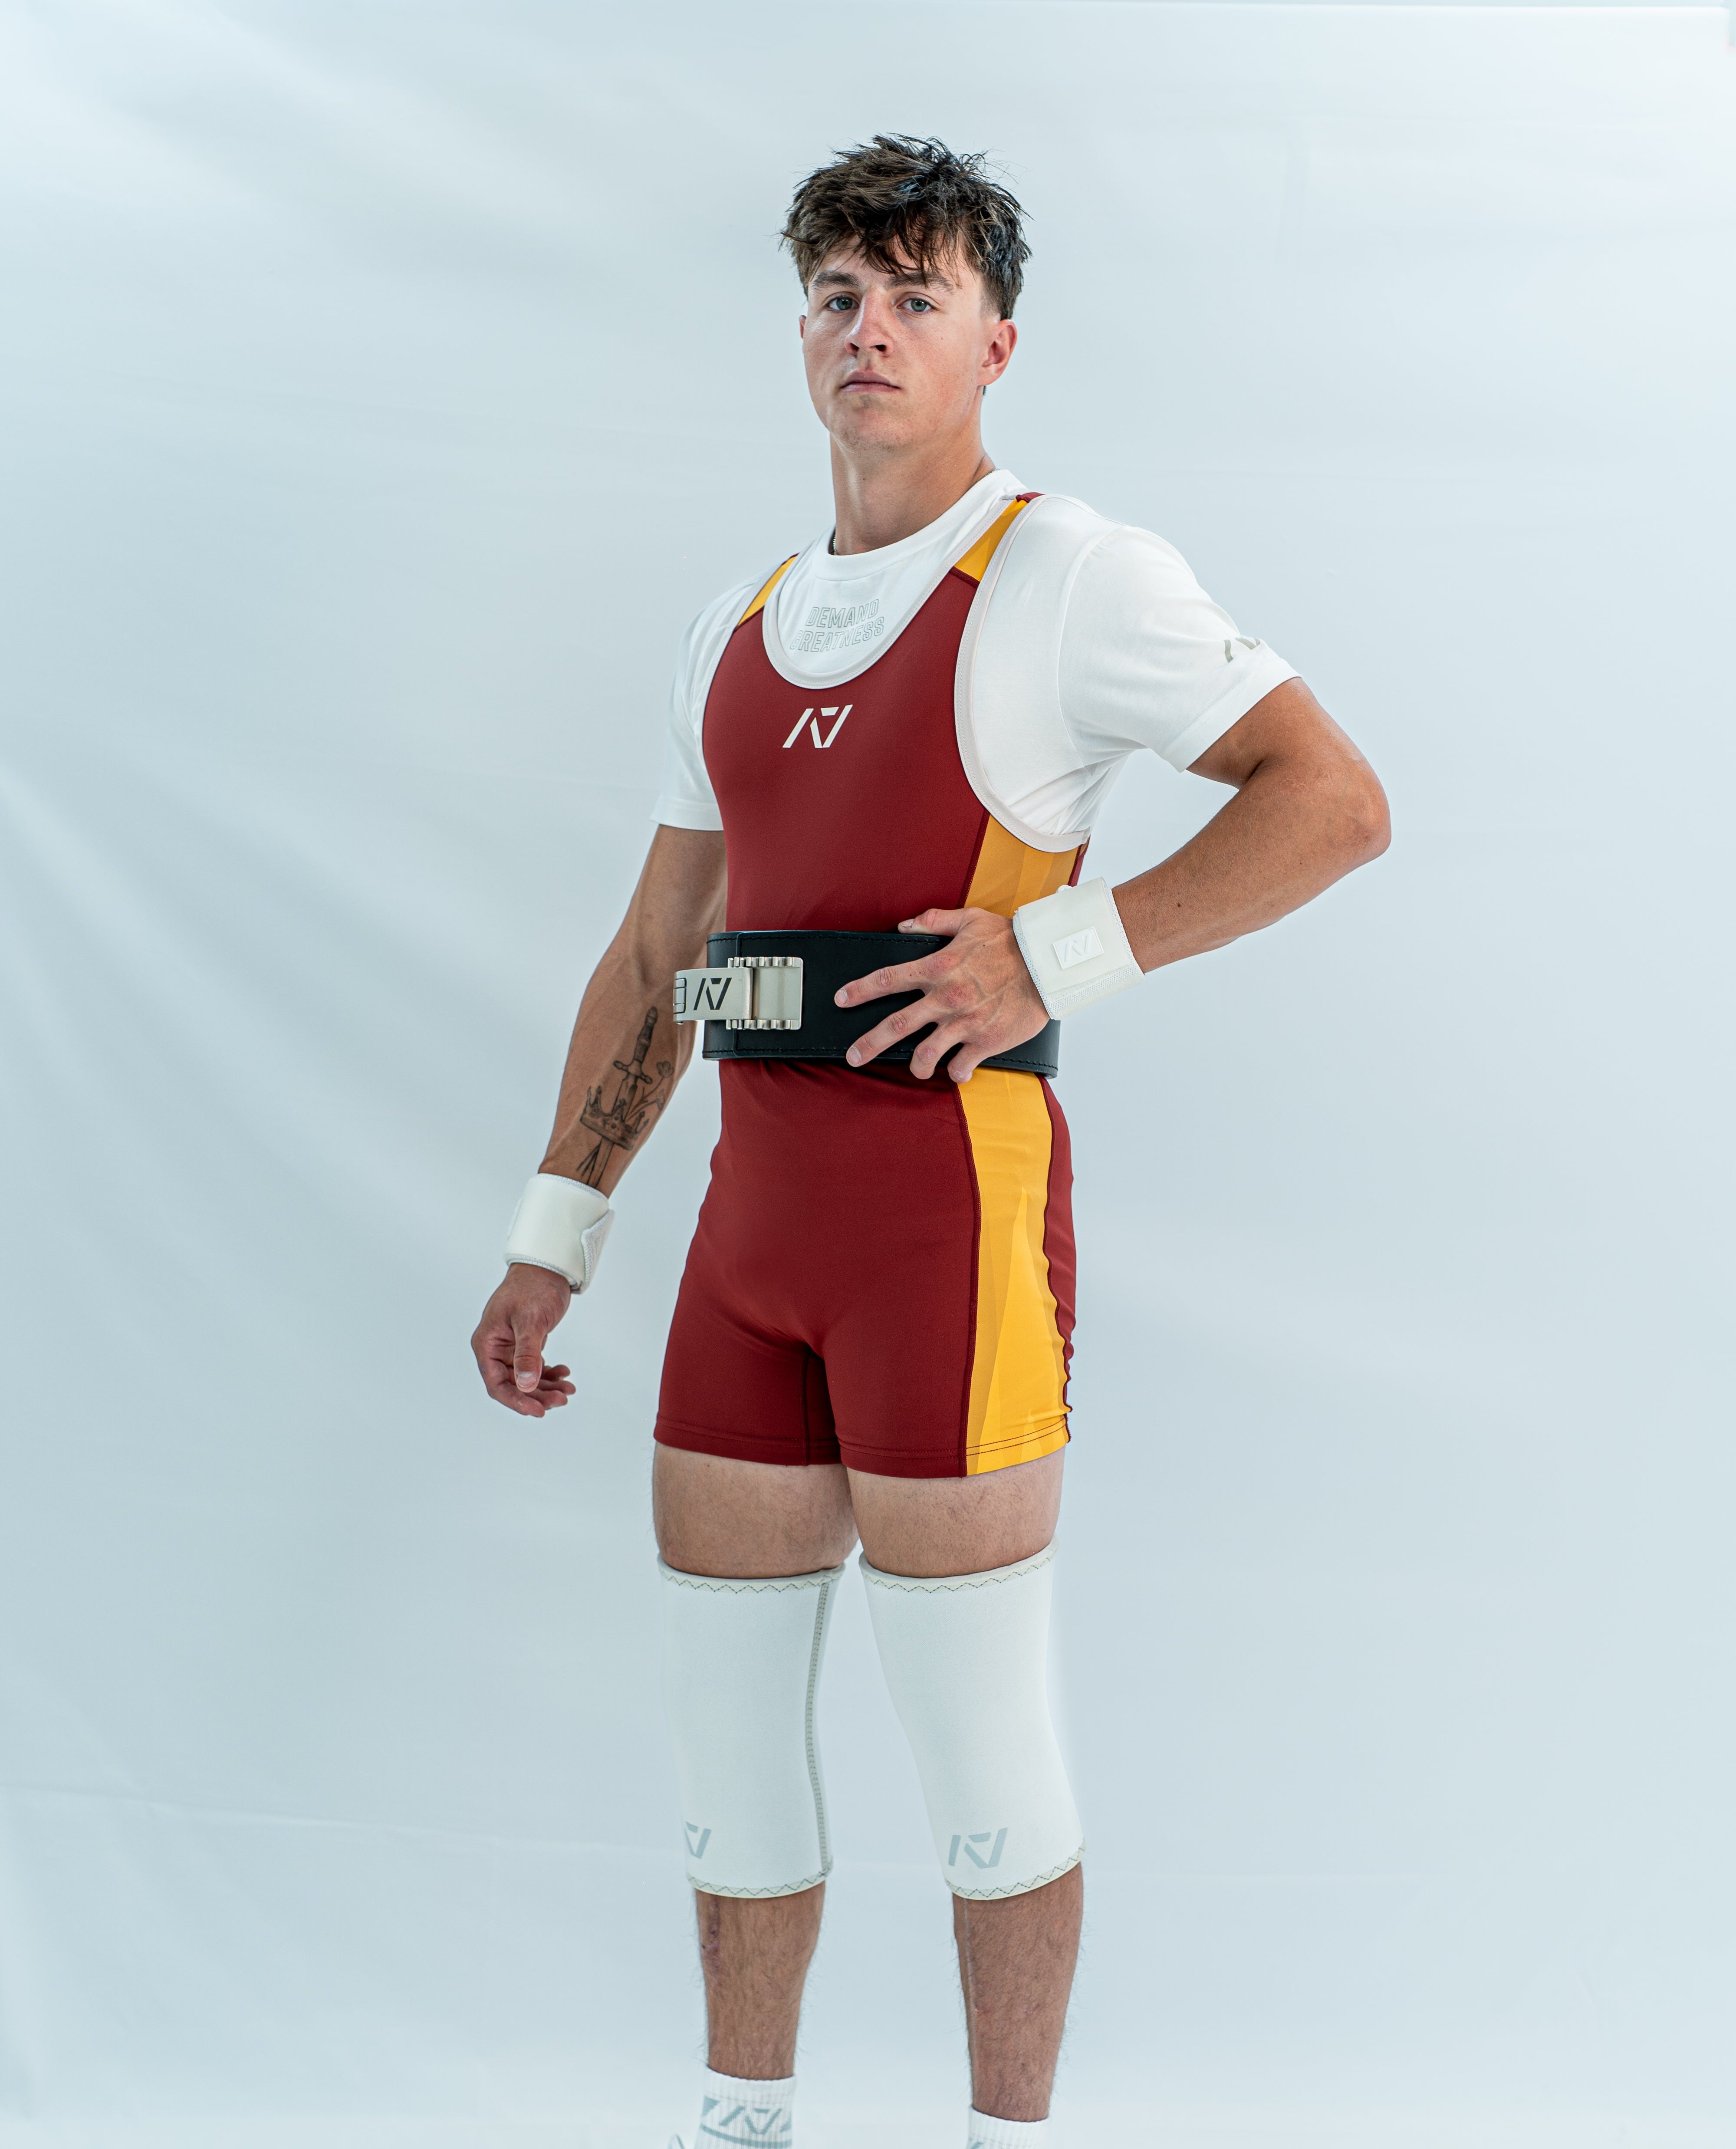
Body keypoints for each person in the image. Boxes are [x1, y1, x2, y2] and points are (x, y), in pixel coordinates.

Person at [470, 134, 1389, 2149]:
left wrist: (1064, 946)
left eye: (912, 294)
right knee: (727, 1751)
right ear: (799, 332)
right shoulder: (742, 613)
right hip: (746, 1230)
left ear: (996, 340)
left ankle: (1003, 2138)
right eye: (834, 294)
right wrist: (559, 1226)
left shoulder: (1066, 572)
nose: (867, 329)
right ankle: (744, 2122)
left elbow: (1329, 797)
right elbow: (658, 943)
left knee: (977, 1749)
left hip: (943, 1226)